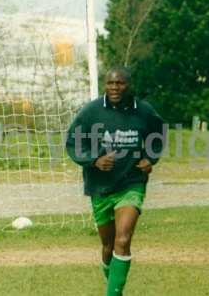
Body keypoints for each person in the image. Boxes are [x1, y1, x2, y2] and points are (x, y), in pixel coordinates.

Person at [66, 66, 165, 296]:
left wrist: (150, 157)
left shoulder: (144, 111)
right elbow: (73, 142)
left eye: (120, 83)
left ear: (129, 85)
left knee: (123, 238)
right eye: (110, 83)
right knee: (108, 246)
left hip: (132, 182)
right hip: (100, 186)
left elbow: (159, 134)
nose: (114, 88)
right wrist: (94, 160)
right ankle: (113, 284)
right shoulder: (91, 111)